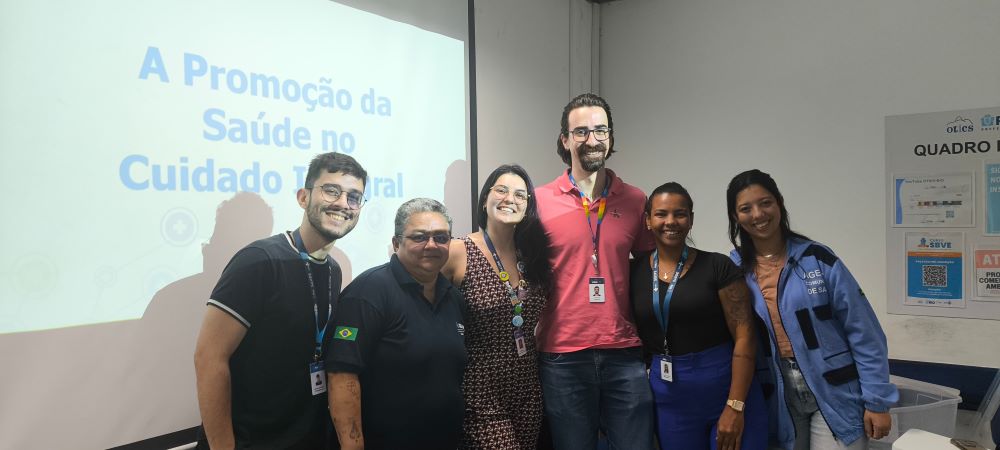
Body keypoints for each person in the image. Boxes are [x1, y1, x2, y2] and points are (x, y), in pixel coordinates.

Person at [193, 152, 367, 449]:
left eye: (354, 197)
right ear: (303, 197)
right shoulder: (260, 261)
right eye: (331, 190)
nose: (342, 204)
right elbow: (209, 359)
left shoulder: (333, 270)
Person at [726, 169, 899, 450]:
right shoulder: (732, 271)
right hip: (776, 395)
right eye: (746, 208)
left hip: (835, 390)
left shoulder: (818, 258)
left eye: (765, 202)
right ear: (736, 217)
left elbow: (863, 331)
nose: (758, 214)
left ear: (779, 203)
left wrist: (877, 401)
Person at [534, 92, 655, 450]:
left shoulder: (635, 200)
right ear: (565, 139)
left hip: (625, 351)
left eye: (600, 130)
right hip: (562, 355)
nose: (592, 139)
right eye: (582, 131)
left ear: (611, 138)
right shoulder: (539, 201)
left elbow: (649, 270)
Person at [629, 182, 767, 450]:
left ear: (691, 219)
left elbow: (745, 335)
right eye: (661, 214)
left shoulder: (717, 266)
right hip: (670, 398)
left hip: (724, 388)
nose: (671, 222)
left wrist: (736, 406)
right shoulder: (633, 272)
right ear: (647, 220)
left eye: (680, 213)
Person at [326, 198, 468, 450]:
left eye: (441, 237)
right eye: (419, 237)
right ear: (396, 243)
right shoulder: (368, 292)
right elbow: (341, 375)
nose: (431, 245)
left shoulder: (453, 297)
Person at [441, 164, 553, 450]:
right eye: (501, 190)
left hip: (528, 388)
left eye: (520, 195)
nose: (509, 199)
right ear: (484, 199)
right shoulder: (458, 250)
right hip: (480, 390)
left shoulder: (532, 253)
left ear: (528, 206)